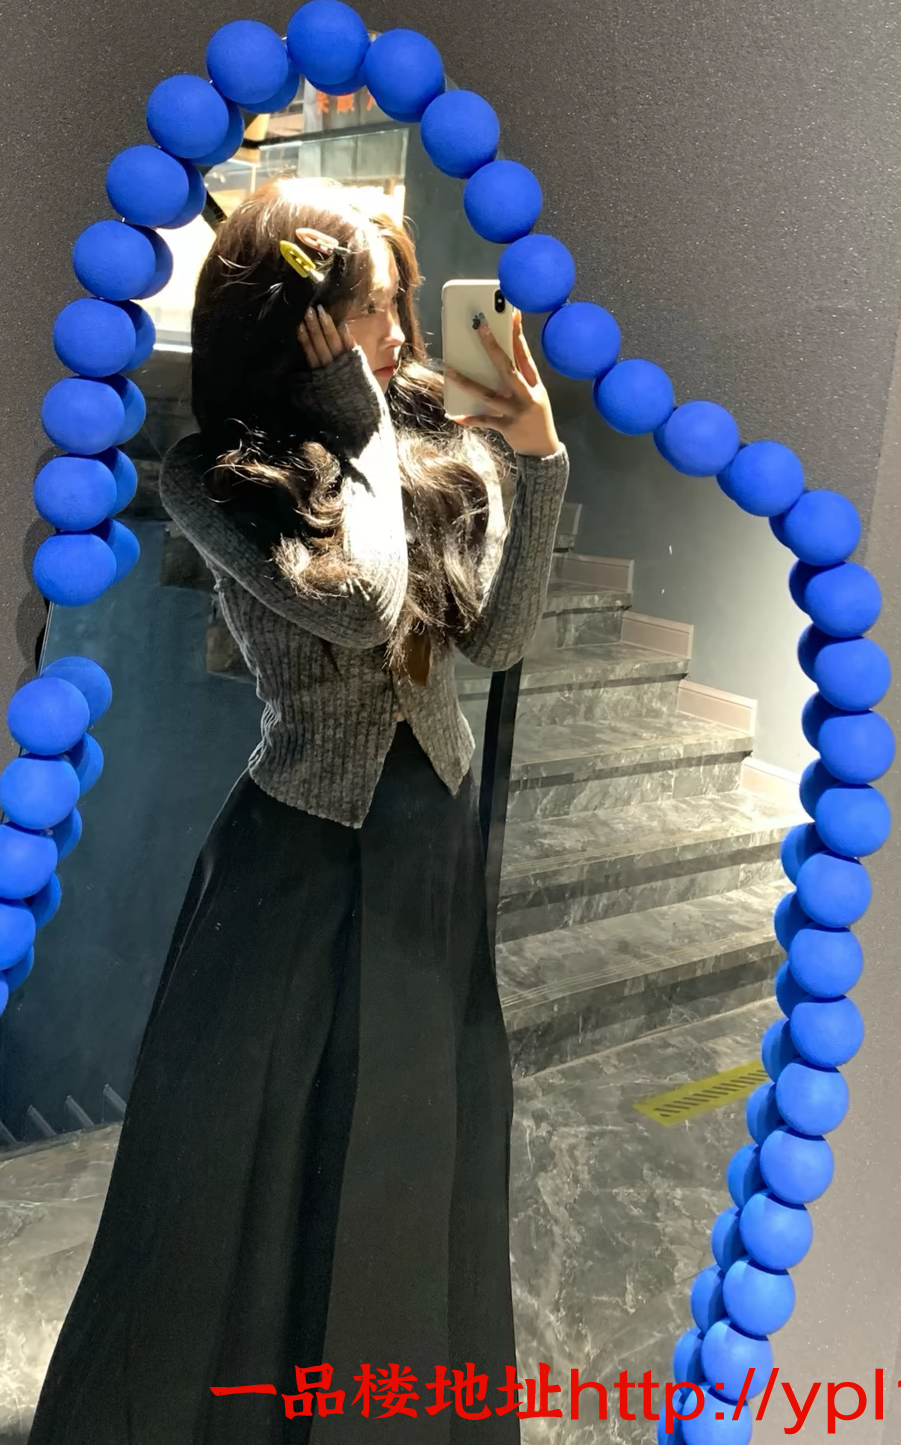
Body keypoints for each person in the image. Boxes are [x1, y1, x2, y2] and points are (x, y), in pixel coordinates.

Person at [28, 177, 569, 1445]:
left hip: (429, 847)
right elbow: (360, 606)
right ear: (302, 323)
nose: (400, 335)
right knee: (247, 1163)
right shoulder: (216, 473)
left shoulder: (421, 439)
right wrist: (354, 425)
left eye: (398, 306)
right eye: (375, 309)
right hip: (294, 857)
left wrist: (537, 460)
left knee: (410, 1152)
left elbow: (497, 640)